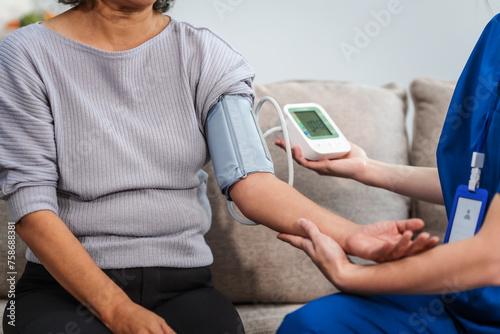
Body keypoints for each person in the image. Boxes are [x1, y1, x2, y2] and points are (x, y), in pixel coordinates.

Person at [0, 1, 438, 333]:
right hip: (64, 288)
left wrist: (354, 237)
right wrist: (117, 310)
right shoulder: (25, 54)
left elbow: (250, 181)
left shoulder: (207, 55)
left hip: (180, 285)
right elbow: (31, 206)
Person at [275, 12, 500, 334]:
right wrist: (367, 169)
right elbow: (480, 180)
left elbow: (492, 258)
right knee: (311, 325)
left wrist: (350, 275)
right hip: (459, 298)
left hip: (486, 288)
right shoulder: (496, 31)